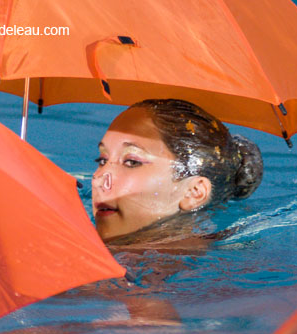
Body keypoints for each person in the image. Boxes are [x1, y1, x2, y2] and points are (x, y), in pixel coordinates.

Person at [91, 99, 263, 247]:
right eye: (102, 160)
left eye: (132, 162)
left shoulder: (140, 276)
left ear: (194, 192)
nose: (99, 180)